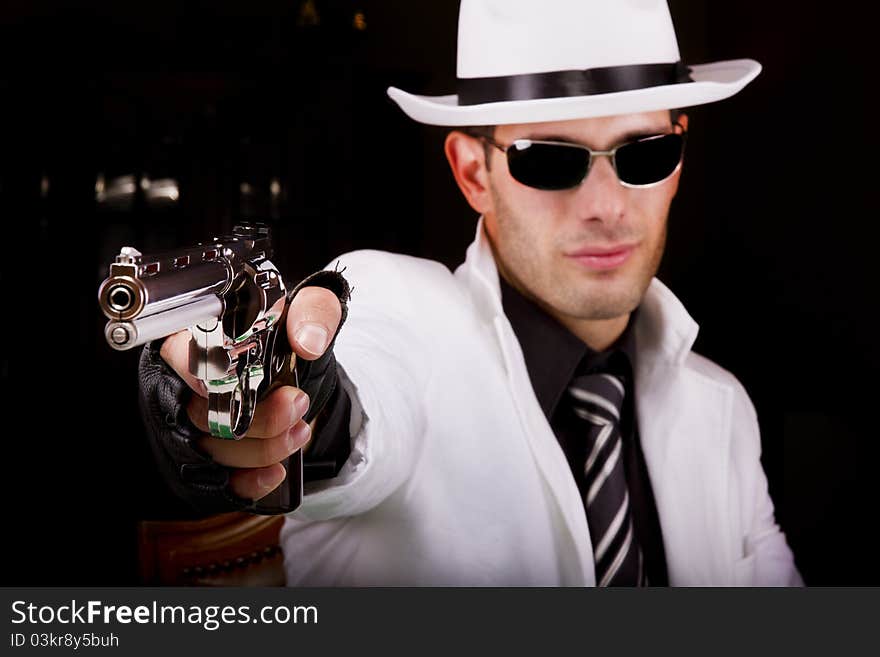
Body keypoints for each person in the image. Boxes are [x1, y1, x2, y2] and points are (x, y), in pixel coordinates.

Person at [140, 0, 802, 586]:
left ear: (679, 159)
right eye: (549, 159)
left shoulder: (726, 413)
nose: (606, 207)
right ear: (472, 172)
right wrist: (281, 396)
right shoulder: (410, 316)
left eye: (644, 153)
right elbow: (355, 395)